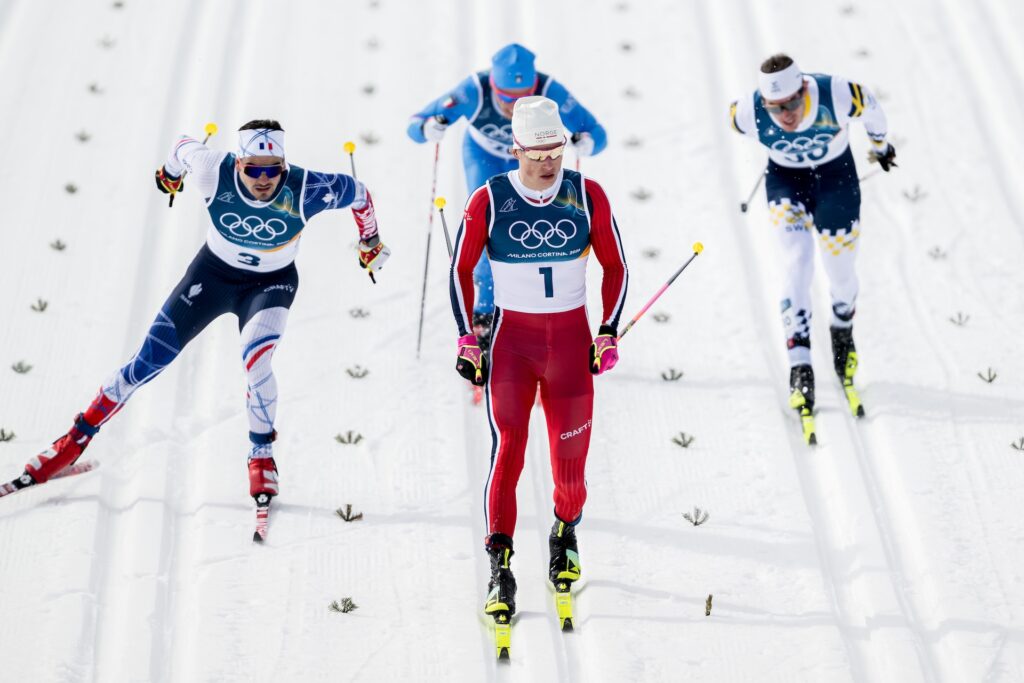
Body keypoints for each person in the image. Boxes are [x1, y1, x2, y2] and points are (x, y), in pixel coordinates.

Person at [13, 120, 390, 507]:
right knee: (146, 362)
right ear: (238, 163)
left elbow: (359, 194)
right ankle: (72, 440)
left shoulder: (308, 187)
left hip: (270, 284)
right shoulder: (213, 169)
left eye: (272, 169)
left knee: (257, 362)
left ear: (284, 165)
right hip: (211, 276)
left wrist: (371, 241)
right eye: (253, 169)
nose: (264, 180)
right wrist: (171, 174)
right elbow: (180, 145)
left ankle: (261, 454)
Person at [449, 96, 627, 621]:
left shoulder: (587, 195)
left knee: (570, 472)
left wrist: (608, 330)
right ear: (516, 150)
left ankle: (564, 531)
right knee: (509, 450)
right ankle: (499, 567)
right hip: (512, 347)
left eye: (557, 151)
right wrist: (465, 338)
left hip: (571, 347)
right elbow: (460, 271)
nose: (549, 164)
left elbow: (615, 266)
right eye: (537, 154)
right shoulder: (490, 199)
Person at [729, 53, 896, 435]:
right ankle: (800, 366)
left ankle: (842, 332)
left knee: (839, 272)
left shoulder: (835, 92)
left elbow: (871, 105)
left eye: (792, 103)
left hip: (836, 180)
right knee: (796, 264)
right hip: (786, 183)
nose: (785, 115)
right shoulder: (746, 112)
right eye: (776, 108)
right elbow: (734, 119)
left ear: (804, 87)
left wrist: (881, 146)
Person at [409, 43, 608, 349]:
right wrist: (428, 128)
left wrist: (588, 142)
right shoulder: (472, 91)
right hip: (485, 156)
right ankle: (485, 315)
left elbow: (597, 132)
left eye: (523, 101)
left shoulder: (550, 90)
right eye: (506, 101)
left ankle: (539, 312)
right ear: (493, 86)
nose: (514, 110)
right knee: (489, 231)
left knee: (542, 233)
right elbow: (415, 124)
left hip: (534, 160)